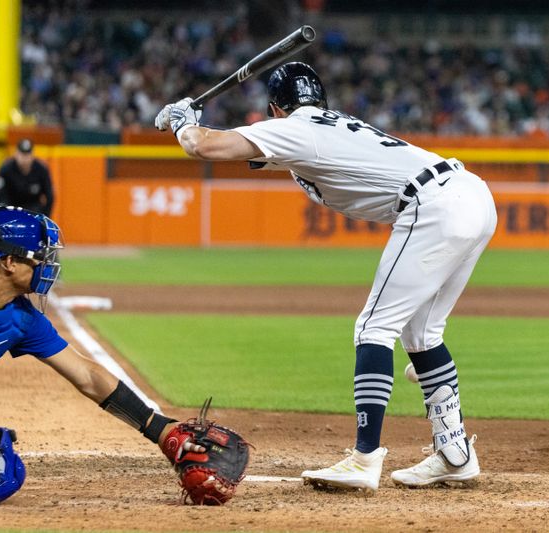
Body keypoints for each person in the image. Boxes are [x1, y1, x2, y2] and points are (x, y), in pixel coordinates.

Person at [155, 62, 498, 492]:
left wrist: (185, 124)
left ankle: (364, 459)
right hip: (472, 194)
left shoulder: (296, 128)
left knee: (374, 328)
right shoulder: (331, 126)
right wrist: (196, 127)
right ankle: (455, 456)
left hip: (434, 205)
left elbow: (203, 147)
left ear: (275, 108)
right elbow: (261, 155)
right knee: (423, 336)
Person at [0, 206, 206, 504]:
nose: (48, 264)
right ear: (9, 262)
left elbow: (87, 376)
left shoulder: (21, 319)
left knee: (0, 468)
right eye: (39, 256)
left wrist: (160, 429)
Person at [0, 139, 54, 216]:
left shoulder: (41, 169)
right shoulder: (5, 169)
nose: (24, 159)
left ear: (32, 155)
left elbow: (50, 195)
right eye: (22, 154)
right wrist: (0, 214)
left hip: (33, 211)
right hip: (11, 209)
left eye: (27, 155)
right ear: (16, 154)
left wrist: (45, 216)